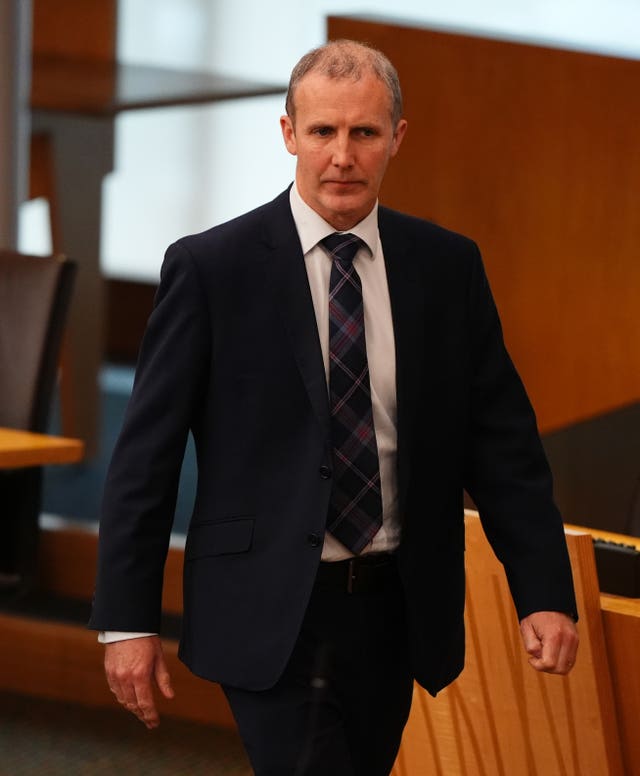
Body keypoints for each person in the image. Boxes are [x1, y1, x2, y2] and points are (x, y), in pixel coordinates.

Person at [89, 39, 579, 776]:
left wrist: (543, 591)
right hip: (267, 606)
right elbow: (144, 460)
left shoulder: (447, 269)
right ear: (289, 133)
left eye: (364, 133)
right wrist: (124, 620)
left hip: (395, 607)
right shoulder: (211, 269)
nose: (342, 156)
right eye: (323, 132)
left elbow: (504, 448)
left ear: (397, 139)